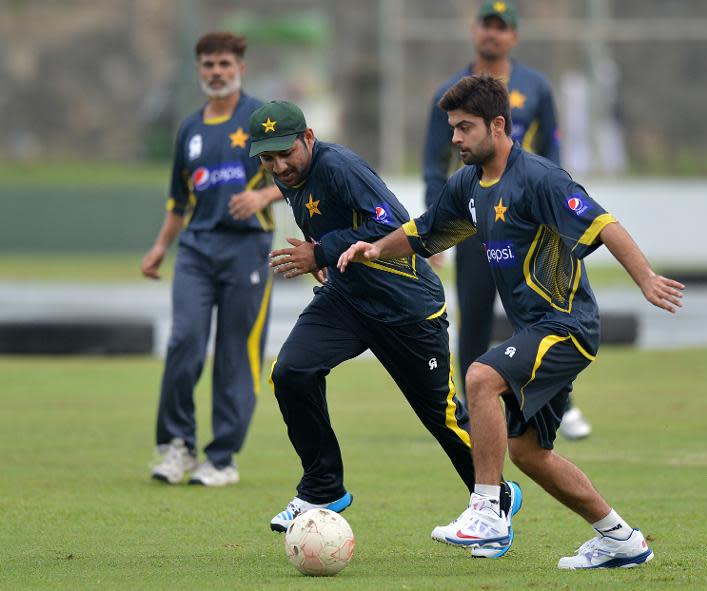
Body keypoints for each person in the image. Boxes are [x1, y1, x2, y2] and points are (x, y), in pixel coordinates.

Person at [338, 75, 684, 567]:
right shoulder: (468, 185)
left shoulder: (541, 178)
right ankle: (620, 539)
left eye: (465, 128)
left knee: (480, 377)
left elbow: (604, 224)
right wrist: (375, 248)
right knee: (528, 454)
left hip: (567, 326)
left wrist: (646, 279)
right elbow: (425, 232)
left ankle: (487, 511)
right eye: (452, 128)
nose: (454, 138)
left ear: (498, 126)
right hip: (534, 330)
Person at [246, 100, 513, 543]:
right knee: (292, 373)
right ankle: (322, 488)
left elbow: (392, 222)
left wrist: (322, 251)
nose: (279, 165)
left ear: (308, 138)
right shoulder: (291, 176)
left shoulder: (339, 166)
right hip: (347, 300)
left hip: (407, 308)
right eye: (268, 158)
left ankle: (493, 497)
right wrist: (323, 257)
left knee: (442, 418)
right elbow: (332, 222)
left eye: (286, 152)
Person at [423, 1, 592, 440]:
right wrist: (436, 236)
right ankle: (472, 409)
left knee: (539, 314)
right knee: (474, 316)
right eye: (486, 25)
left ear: (514, 36)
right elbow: (433, 165)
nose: (493, 34)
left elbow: (553, 154)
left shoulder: (535, 86)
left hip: (528, 228)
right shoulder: (451, 93)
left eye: (502, 27)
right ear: (473, 29)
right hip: (475, 223)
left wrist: (557, 216)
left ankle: (561, 404)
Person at [142, 32, 283, 487]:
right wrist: (161, 246)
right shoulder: (189, 129)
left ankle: (221, 458)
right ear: (199, 70)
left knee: (236, 356)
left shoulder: (262, 120)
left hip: (248, 250)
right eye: (208, 65)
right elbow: (178, 201)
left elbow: (302, 174)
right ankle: (175, 445)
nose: (216, 72)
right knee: (183, 340)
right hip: (196, 252)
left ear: (241, 67)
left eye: (224, 63)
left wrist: (262, 193)